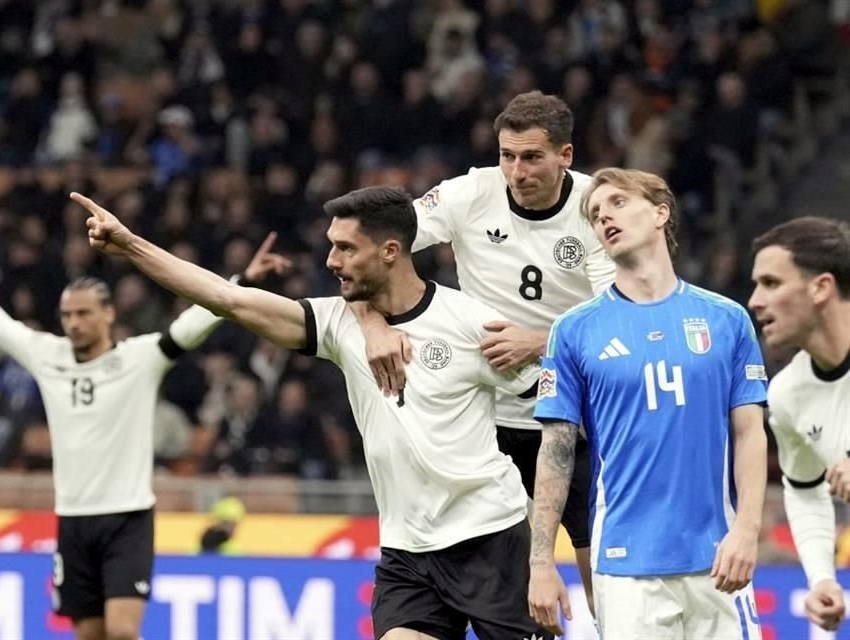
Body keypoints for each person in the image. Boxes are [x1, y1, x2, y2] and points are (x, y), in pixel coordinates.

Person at [72, 185, 545, 639]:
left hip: (489, 539)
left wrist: (543, 554)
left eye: (345, 248)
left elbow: (546, 426)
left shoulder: (470, 324)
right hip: (407, 549)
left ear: (390, 251)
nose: (330, 261)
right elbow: (228, 299)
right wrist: (131, 245)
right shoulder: (340, 323)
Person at [0, 226, 289, 640]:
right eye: (67, 315)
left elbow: (194, 323)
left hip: (127, 516)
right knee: (91, 635)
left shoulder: (140, 358)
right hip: (74, 519)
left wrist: (243, 282)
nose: (74, 323)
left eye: (84, 314)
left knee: (121, 632)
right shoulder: (47, 356)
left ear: (109, 315)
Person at [358, 91, 615, 611]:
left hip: (577, 420)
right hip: (485, 426)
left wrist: (543, 341)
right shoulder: (468, 194)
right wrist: (371, 324)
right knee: (515, 594)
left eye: (532, 157)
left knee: (606, 587)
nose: (516, 172)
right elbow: (367, 250)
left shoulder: (597, 207)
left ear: (566, 156)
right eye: (507, 156)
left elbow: (623, 315)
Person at [528, 168, 768, 639]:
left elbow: (749, 433)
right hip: (624, 563)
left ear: (661, 212)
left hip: (719, 558)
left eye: (617, 203)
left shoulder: (727, 320)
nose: (604, 218)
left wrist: (746, 530)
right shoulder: (575, 330)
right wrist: (540, 562)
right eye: (596, 215)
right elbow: (555, 452)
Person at [748, 216, 850, 632]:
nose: (755, 300)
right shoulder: (788, 394)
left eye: (771, 283)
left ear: (821, 287)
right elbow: (806, 491)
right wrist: (822, 576)